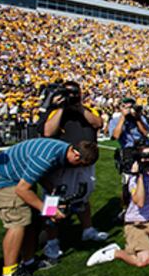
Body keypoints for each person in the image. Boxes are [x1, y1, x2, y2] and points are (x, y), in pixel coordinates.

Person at [0, 138, 98, 276]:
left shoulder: (60, 150)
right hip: (2, 180)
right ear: (75, 156)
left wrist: (53, 192)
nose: (77, 169)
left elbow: (38, 174)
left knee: (31, 220)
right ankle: (8, 275)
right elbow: (22, 190)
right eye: (80, 165)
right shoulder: (47, 157)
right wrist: (50, 211)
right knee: (18, 222)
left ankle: (28, 262)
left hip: (17, 179)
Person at [41, 81, 107, 266]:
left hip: (86, 163)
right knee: (52, 200)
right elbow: (48, 131)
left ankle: (87, 229)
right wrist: (62, 107)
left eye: (75, 93)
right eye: (69, 93)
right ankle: (51, 241)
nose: (72, 96)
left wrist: (79, 107)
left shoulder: (87, 109)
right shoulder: (56, 111)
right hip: (63, 164)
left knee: (83, 197)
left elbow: (98, 123)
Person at [86, 147, 149, 267]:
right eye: (145, 156)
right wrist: (140, 175)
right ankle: (114, 252)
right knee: (144, 261)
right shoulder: (132, 177)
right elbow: (140, 202)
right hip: (136, 224)